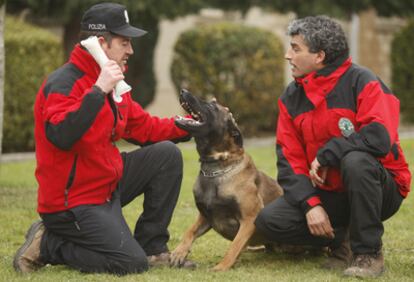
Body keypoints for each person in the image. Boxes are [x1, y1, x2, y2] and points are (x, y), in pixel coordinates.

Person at [13, 2, 195, 275]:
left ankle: (152, 247)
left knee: (166, 155)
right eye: (124, 42)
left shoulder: (115, 83)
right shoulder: (64, 83)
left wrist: (194, 125)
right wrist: (98, 90)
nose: (130, 51)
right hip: (72, 203)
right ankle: (48, 243)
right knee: (130, 263)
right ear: (101, 43)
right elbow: (61, 135)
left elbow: (144, 127)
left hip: (105, 186)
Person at [255, 16, 411, 278]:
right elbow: (289, 161)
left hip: (381, 187)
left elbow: (379, 137)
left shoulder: (363, 81)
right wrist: (311, 205)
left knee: (356, 160)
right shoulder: (290, 98)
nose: (287, 55)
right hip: (328, 193)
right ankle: (341, 240)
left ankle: (368, 254)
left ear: (320, 56)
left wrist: (328, 153)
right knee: (269, 222)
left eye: (295, 48)